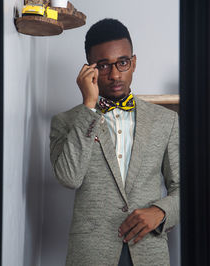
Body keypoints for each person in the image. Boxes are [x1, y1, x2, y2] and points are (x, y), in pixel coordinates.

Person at [49, 18, 179, 266]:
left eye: (122, 62)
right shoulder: (66, 122)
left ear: (134, 62)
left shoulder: (166, 121)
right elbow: (69, 177)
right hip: (91, 255)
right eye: (103, 66)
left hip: (149, 251)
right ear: (89, 69)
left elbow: (184, 187)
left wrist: (161, 212)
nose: (116, 74)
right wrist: (89, 107)